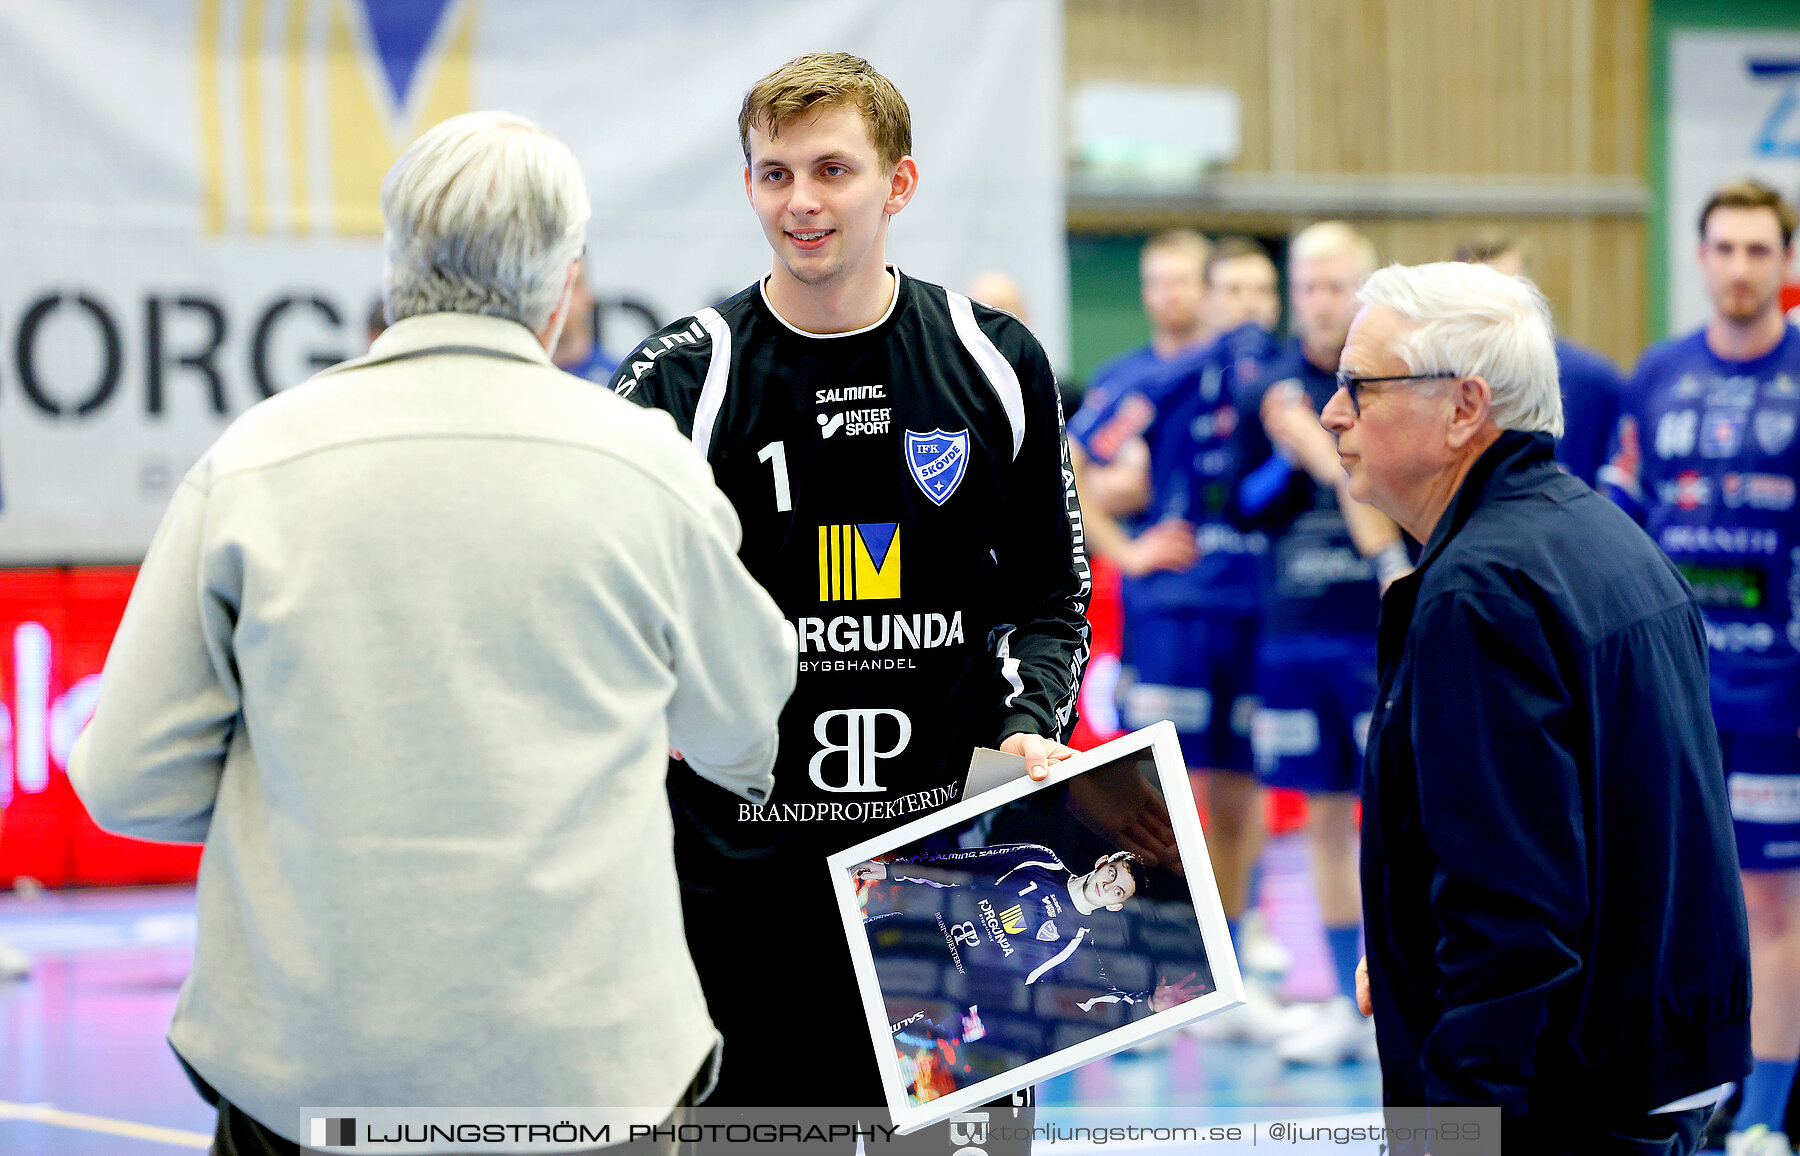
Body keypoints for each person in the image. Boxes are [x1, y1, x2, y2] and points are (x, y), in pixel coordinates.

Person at [68, 111, 797, 1155]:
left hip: (309, 1080)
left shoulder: (254, 463)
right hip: (587, 1080)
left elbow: (125, 777)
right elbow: (743, 732)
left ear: (395, 259)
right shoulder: (644, 467)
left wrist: (310, 818)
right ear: (562, 286)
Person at [611, 52, 1092, 1134]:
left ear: (899, 184)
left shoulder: (992, 359)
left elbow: (1050, 596)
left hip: (945, 889)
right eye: (774, 174)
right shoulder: (684, 376)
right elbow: (604, 610)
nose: (803, 201)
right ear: (748, 187)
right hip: (739, 892)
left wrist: (1026, 726)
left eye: (832, 169)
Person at [1331, 261, 1750, 1154]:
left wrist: (1455, 1127)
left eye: (1360, 387)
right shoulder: (1604, 541)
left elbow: (1512, 911)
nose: (1334, 414)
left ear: (1463, 407)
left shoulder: (1481, 594)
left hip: (1555, 1109)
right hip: (1648, 1080)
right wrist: (1410, 950)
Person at [1601, 178, 1800, 1156]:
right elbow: (1622, 516)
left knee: (1770, 896)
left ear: (1786, 262)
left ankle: (1764, 1118)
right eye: (1724, 248)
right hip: (1670, 686)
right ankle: (1693, 1091)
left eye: (1760, 250)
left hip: (1778, 691)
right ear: (1701, 254)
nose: (1739, 267)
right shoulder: (1659, 374)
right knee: (1667, 890)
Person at [1068, 238, 1283, 1022]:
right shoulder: (1152, 381)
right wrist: (1125, 550)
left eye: (1259, 290)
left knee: (1240, 789)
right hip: (1172, 618)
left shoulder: (1283, 381)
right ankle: (1158, 973)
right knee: (1162, 790)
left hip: (1257, 613)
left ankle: (1233, 954)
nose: (1244, 306)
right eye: (1231, 289)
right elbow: (1074, 461)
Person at [1224, 222, 1400, 1064]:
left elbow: (1398, 511)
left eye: (1339, 286)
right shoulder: (1269, 384)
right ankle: (1343, 1001)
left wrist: (1321, 452)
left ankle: (1404, 995)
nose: (1324, 303)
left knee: (1402, 820)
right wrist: (1287, 458)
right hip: (1293, 632)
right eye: (1311, 287)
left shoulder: (1393, 376)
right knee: (1324, 822)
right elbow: (1238, 503)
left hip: (1377, 635)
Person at [1454, 237, 1623, 487]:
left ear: (1533, 292)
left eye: (1506, 289)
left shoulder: (1594, 383)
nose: (1493, 307)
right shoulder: (1443, 384)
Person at [552, 257, 618, 382]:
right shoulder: (519, 379)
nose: (560, 298)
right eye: (552, 287)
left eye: (571, 286)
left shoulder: (619, 380)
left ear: (588, 296)